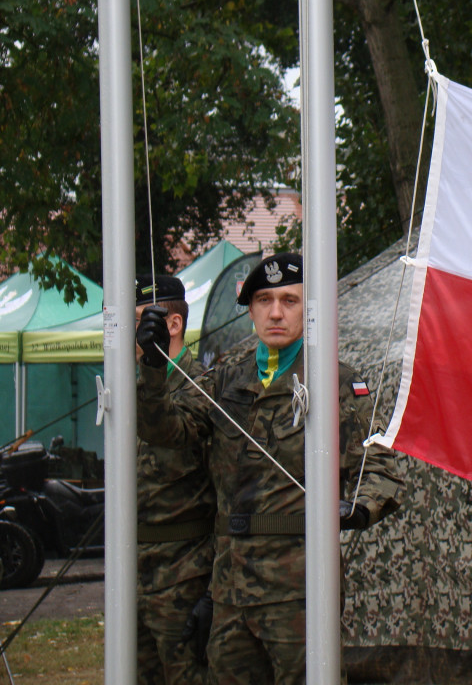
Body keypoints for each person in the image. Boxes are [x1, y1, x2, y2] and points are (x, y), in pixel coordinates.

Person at [135, 253, 404, 685]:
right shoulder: (223, 382)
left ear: (308, 309)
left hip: (299, 592)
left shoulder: (335, 383)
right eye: (264, 300)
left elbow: (379, 466)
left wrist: (355, 508)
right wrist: (151, 368)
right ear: (251, 309)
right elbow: (165, 430)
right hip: (231, 593)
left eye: (289, 300)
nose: (276, 312)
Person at [134, 274, 216, 685]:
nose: (133, 334)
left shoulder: (200, 386)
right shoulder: (130, 388)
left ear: (172, 325)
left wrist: (214, 591)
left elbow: (167, 427)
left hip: (183, 573)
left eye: (141, 322)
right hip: (133, 569)